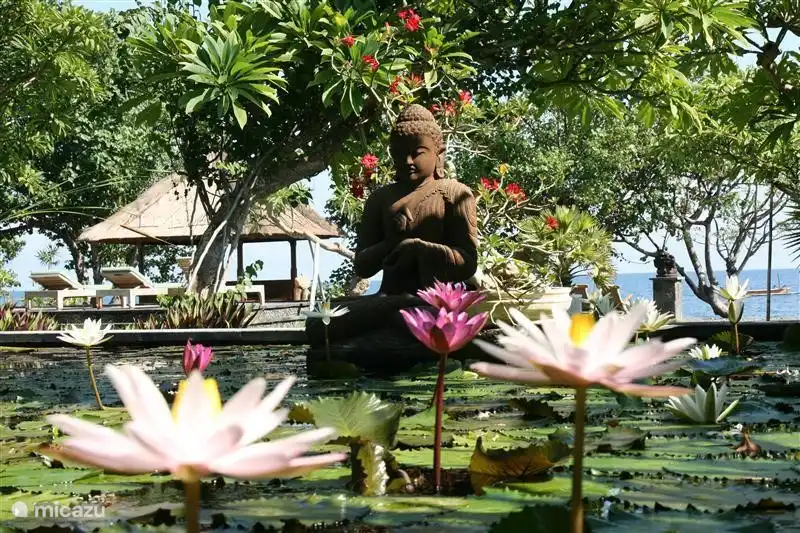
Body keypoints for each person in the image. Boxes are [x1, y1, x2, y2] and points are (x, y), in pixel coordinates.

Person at [353, 104, 478, 295]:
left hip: (437, 299)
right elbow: (362, 266)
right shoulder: (380, 198)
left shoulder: (455, 194)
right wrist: (392, 242)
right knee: (322, 322)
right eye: (399, 154)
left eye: (417, 153)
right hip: (390, 298)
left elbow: (467, 264)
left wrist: (421, 249)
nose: (408, 161)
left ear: (439, 154)